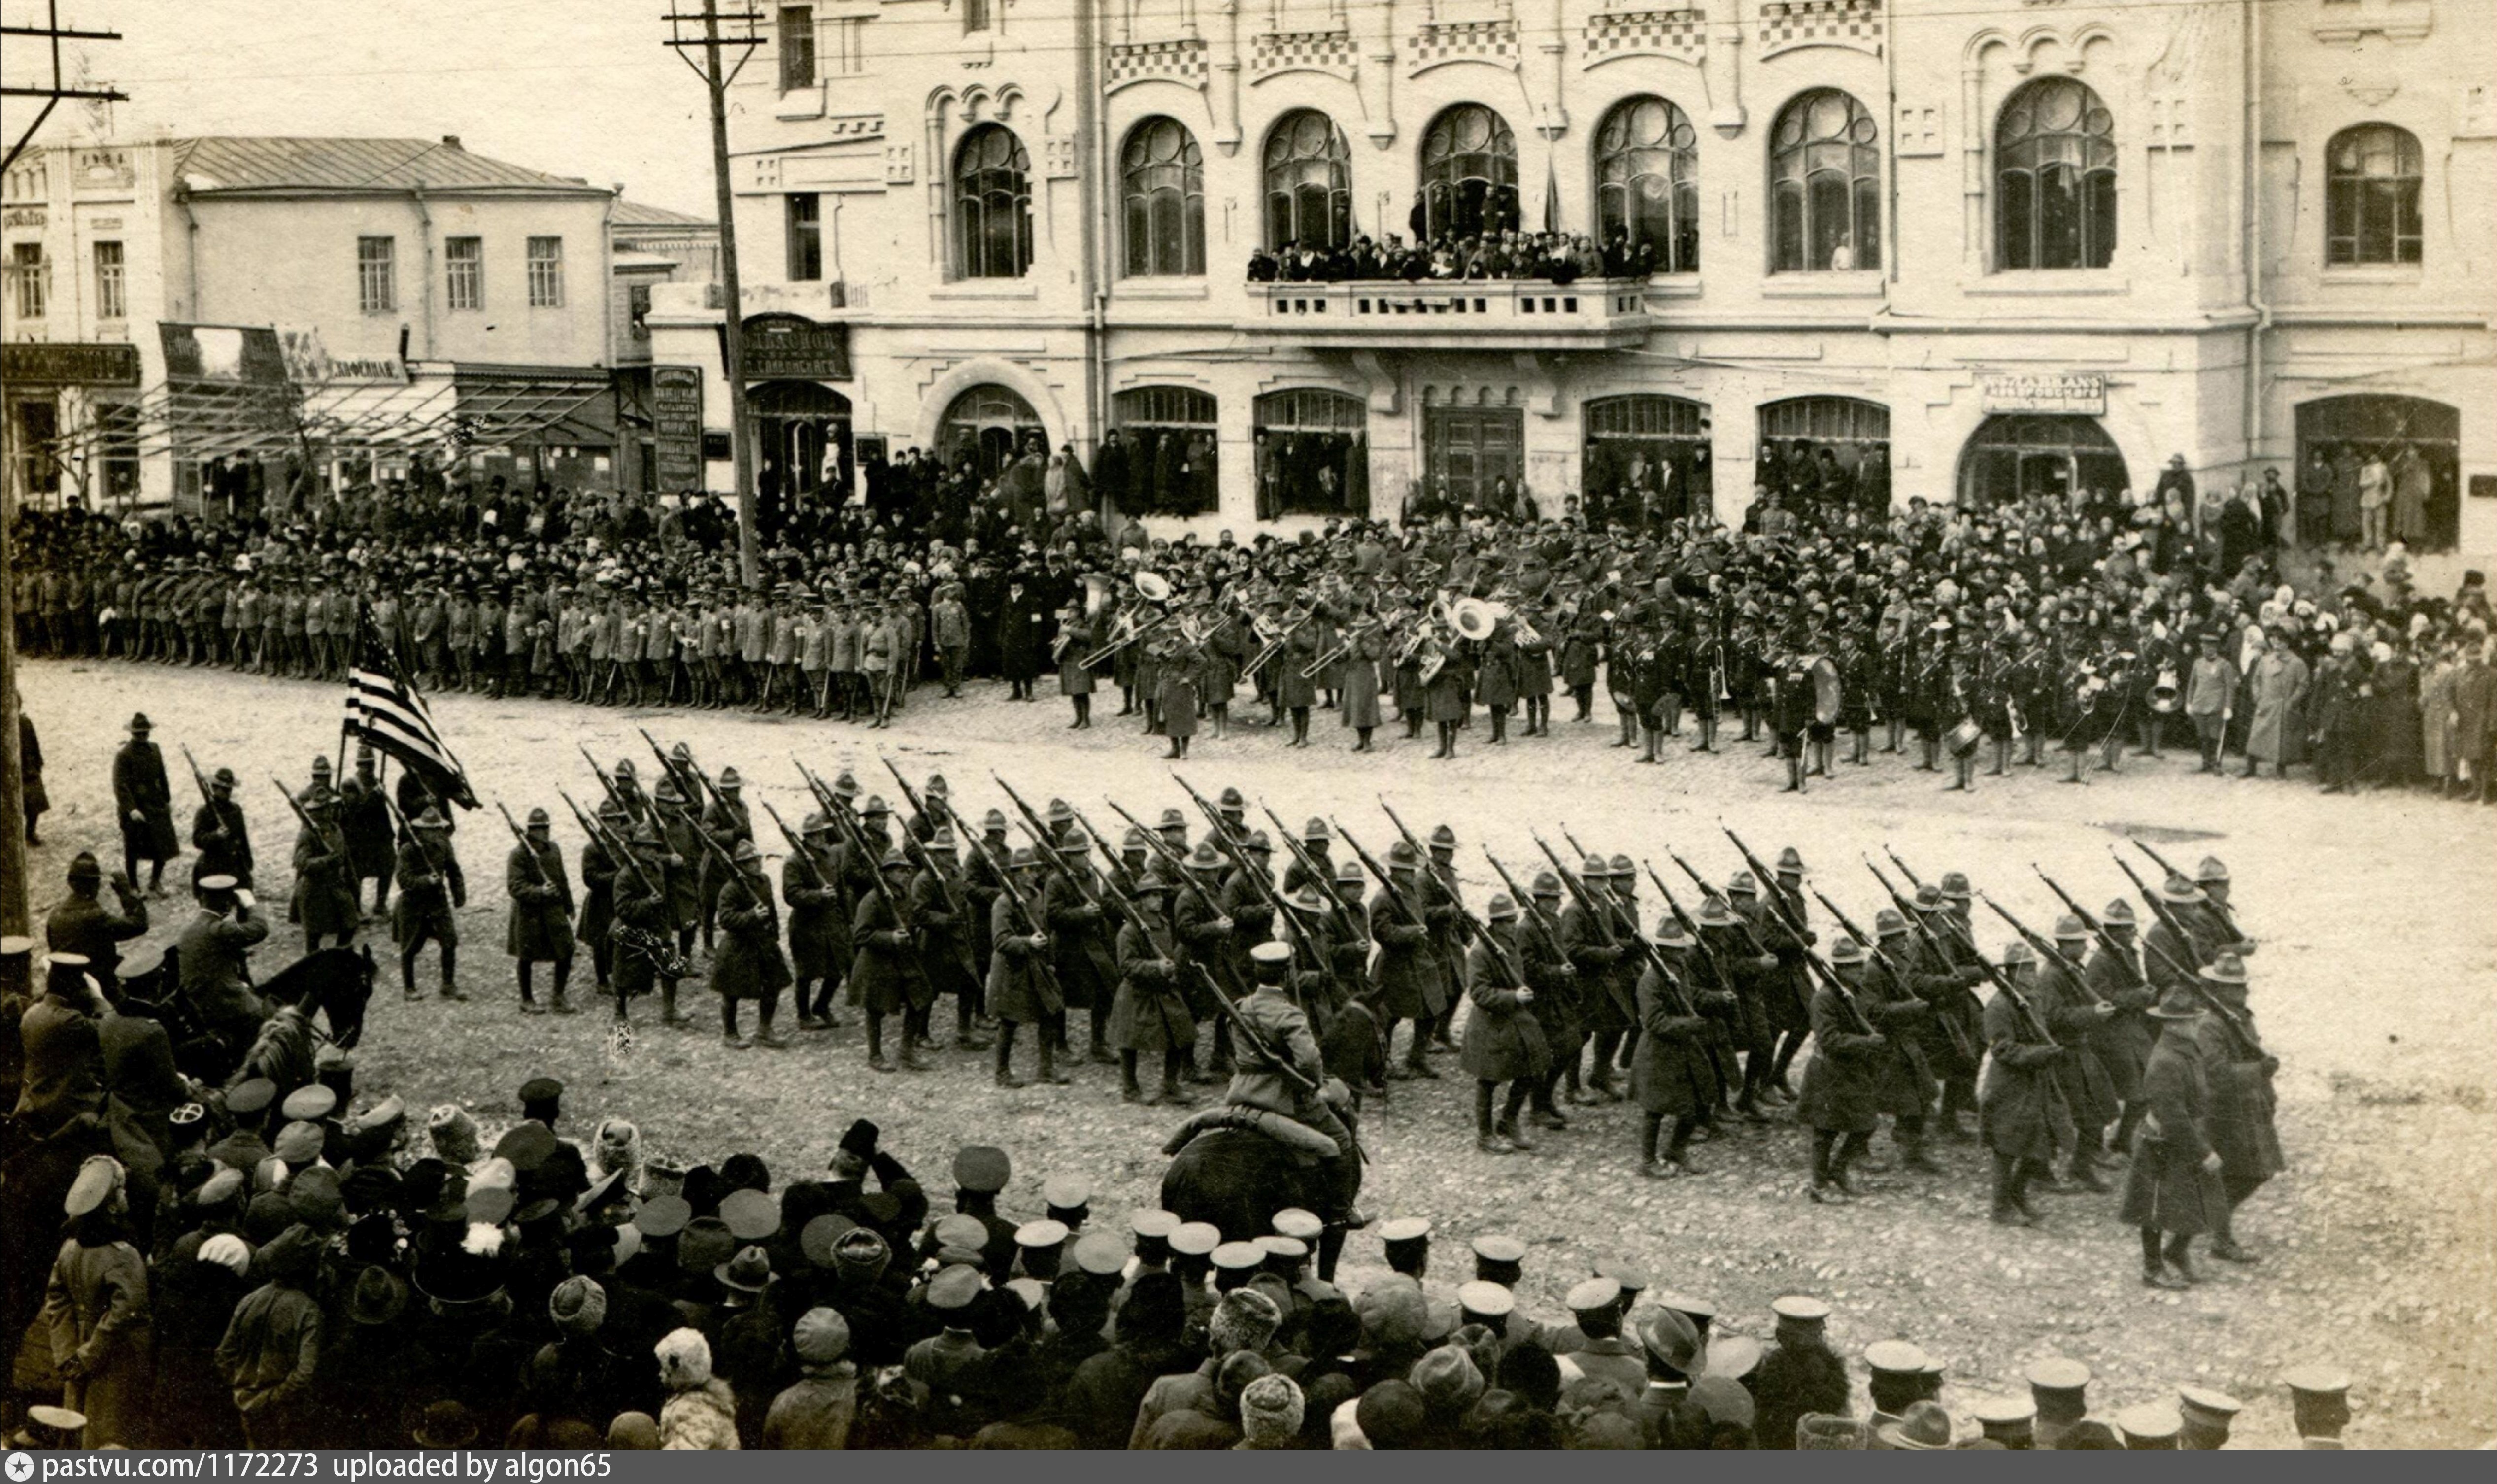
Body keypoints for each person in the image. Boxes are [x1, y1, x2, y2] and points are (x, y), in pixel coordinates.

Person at [43, 1155, 152, 1448]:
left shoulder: (70, 1248)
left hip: (78, 1349)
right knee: (110, 1434)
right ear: (113, 1203)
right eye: (122, 1191)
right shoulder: (123, 1254)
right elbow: (127, 1312)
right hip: (116, 1356)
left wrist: (69, 1354)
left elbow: (56, 1301)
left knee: (76, 1428)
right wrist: (91, 1354)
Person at [2120, 986, 2225, 1288]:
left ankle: (2176, 1252)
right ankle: (2152, 1268)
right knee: (2153, 1209)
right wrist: (2204, 1152)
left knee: (2201, 1195)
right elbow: (2173, 1115)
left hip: (2182, 1136)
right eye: (2193, 1021)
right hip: (2162, 1143)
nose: (2198, 1026)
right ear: (2176, 1025)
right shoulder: (2167, 1059)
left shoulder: (2185, 1050)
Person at [179, 874, 271, 1057]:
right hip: (223, 1003)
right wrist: (251, 904)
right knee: (269, 1021)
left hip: (199, 1001)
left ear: (203, 899)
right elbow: (260, 929)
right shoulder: (220, 930)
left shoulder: (192, 928)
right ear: (229, 903)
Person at [506, 808, 578, 1015]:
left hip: (554, 910)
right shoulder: (519, 854)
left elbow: (561, 878)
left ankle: (558, 996)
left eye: (546, 827)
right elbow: (515, 886)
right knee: (526, 955)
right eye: (538, 829)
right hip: (529, 913)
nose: (544, 832)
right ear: (530, 830)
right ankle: (527, 1000)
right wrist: (539, 891)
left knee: (566, 949)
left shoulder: (553, 849)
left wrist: (569, 904)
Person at [44, 851, 148, 990]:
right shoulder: (95, 916)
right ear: (95, 885)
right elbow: (140, 924)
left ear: (70, 882)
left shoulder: (55, 913)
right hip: (93, 986)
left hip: (64, 983)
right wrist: (125, 891)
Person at [393, 805, 466, 1002]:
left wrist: (459, 895)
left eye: (438, 830)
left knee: (450, 941)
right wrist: (426, 881)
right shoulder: (408, 850)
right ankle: (409, 988)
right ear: (422, 831)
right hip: (413, 904)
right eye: (432, 830)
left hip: (437, 902)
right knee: (410, 948)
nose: (436, 834)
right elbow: (403, 880)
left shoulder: (444, 845)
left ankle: (448, 985)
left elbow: (453, 870)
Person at [113, 712, 179, 895]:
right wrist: (131, 809)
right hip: (135, 809)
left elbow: (162, 777)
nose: (142, 737)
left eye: (145, 733)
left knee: (163, 844)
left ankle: (155, 882)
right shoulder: (123, 755)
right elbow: (120, 786)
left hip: (156, 805)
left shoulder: (155, 749)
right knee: (133, 849)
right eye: (138, 734)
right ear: (132, 734)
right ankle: (134, 886)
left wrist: (167, 800)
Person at [188, 765, 254, 891]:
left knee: (246, 902)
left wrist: (248, 862)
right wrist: (216, 836)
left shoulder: (236, 810)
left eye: (229, 790)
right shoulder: (204, 812)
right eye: (224, 790)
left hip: (236, 864)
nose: (228, 793)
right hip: (214, 865)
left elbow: (243, 838)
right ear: (214, 788)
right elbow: (197, 840)